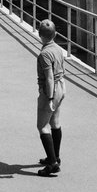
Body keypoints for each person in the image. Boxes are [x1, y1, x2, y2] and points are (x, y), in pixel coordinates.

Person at [36, 19, 65, 177]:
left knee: (42, 126)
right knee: (55, 123)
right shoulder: (58, 49)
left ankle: (52, 164)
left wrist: (49, 98)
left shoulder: (44, 54)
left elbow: (48, 78)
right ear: (56, 34)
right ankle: (55, 157)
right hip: (61, 87)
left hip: (51, 90)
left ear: (40, 35)